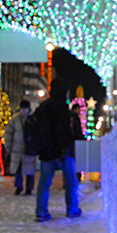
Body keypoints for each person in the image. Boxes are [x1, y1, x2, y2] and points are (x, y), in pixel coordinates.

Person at [36, 78, 82, 222]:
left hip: (46, 152)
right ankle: (72, 209)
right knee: (70, 182)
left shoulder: (43, 107)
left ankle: (41, 212)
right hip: (63, 152)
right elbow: (64, 131)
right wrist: (65, 147)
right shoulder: (62, 107)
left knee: (44, 183)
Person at [4, 100, 36, 195]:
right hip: (16, 148)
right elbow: (9, 134)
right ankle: (19, 187)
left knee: (29, 169)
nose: (23, 111)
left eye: (25, 109)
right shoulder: (14, 120)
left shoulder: (33, 120)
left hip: (29, 149)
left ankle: (29, 188)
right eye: (22, 108)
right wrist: (8, 146)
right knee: (18, 169)